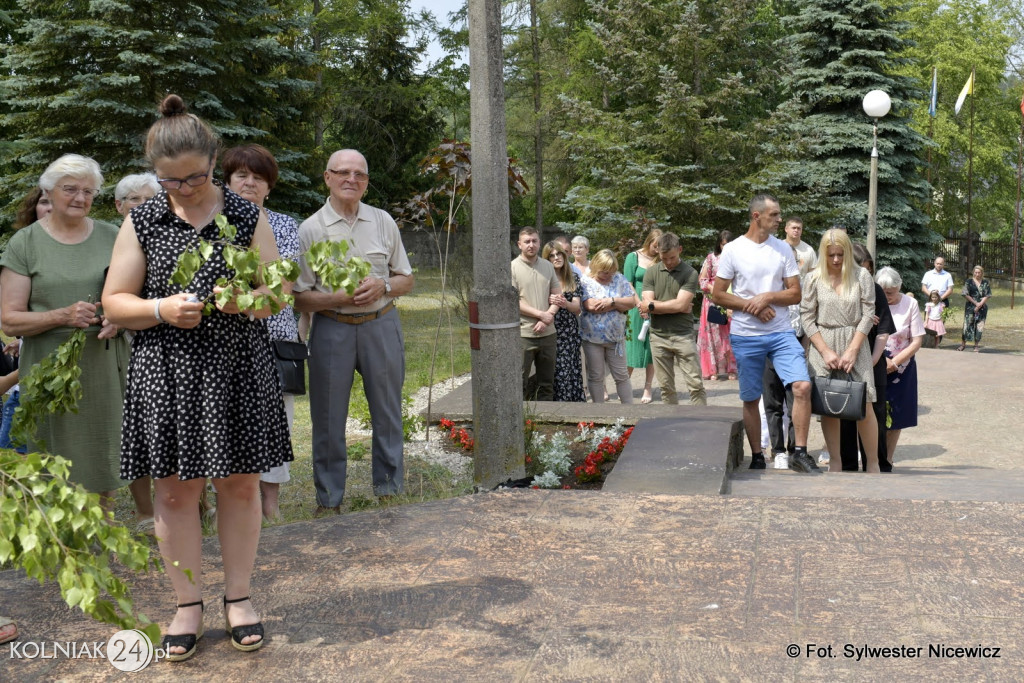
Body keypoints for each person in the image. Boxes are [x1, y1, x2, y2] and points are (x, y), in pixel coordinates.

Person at [103, 95, 293, 660]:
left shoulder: (245, 214)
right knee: (175, 491)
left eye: (196, 178)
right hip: (168, 370)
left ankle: (239, 597)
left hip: (238, 366)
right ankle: (187, 603)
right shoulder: (145, 219)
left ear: (213, 162)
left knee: (240, 484)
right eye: (171, 181)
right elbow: (115, 303)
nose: (185, 190)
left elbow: (277, 292)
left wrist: (245, 299)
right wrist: (162, 309)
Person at [0, 154, 129, 503]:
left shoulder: (112, 236)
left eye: (89, 191)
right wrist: (62, 316)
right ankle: (60, 536)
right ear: (48, 191)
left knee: (104, 452)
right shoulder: (25, 243)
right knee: (53, 458)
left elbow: (133, 295)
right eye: (70, 189)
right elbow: (9, 320)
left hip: (105, 363)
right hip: (49, 369)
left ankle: (100, 530)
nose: (80, 198)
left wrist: (120, 318)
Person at [293, 148, 414, 514]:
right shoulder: (311, 228)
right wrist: (337, 296)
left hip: (381, 324)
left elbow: (406, 279)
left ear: (366, 182)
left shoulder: (382, 221)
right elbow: (299, 297)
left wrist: (384, 286)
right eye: (343, 172)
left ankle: (389, 492)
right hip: (333, 328)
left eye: (359, 174)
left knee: (388, 413)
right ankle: (329, 500)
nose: (351, 179)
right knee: (328, 419)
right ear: (327, 177)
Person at [223, 144, 303, 521]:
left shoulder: (285, 225)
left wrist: (234, 298)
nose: (250, 183)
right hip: (219, 340)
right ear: (227, 181)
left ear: (269, 188)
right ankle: (228, 502)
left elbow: (280, 283)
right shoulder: (212, 223)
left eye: (259, 178)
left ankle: (269, 503)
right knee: (224, 421)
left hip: (274, 338)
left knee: (275, 422)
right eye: (242, 176)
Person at [711, 194, 818, 473]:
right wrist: (753, 306)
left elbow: (795, 293)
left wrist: (768, 297)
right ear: (756, 216)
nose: (780, 219)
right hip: (746, 335)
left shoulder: (782, 249)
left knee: (802, 386)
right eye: (774, 215)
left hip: (781, 332)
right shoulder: (733, 250)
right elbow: (718, 295)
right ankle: (757, 454)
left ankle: (800, 453)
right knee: (750, 397)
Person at [800, 229, 881, 473]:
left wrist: (853, 350)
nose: (836, 260)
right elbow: (806, 316)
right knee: (829, 406)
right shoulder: (814, 278)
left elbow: (868, 313)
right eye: (831, 255)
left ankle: (873, 464)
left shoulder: (861, 276)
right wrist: (825, 351)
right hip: (823, 344)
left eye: (840, 254)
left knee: (865, 404)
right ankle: (835, 461)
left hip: (855, 342)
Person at [839, 244, 895, 472]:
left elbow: (883, 330)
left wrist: (871, 361)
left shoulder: (875, 290)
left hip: (872, 361)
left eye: (868, 270)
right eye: (861, 269)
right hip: (844, 360)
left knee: (875, 413)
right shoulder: (839, 289)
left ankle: (877, 463)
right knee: (844, 414)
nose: (865, 275)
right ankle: (848, 464)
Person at [639, 233, 706, 405]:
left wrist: (654, 306)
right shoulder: (651, 272)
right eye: (664, 257)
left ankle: (702, 423)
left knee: (695, 385)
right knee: (665, 387)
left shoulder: (690, 272)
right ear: (658, 252)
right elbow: (649, 304)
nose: (668, 261)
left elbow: (681, 305)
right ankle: (671, 423)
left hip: (683, 335)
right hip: (658, 336)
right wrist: (675, 306)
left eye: (672, 257)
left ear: (680, 250)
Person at [876, 266, 925, 465]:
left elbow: (916, 341)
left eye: (891, 292)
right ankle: (871, 456)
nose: (887, 297)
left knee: (896, 416)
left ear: (899, 287)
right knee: (873, 413)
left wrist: (895, 362)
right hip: (875, 362)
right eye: (883, 292)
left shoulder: (910, 304)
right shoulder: (873, 301)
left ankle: (887, 459)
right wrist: (881, 360)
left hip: (901, 368)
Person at [510, 227, 561, 401]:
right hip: (524, 334)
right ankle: (522, 423)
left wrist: (547, 318)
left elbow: (557, 296)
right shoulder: (512, 268)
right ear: (519, 244)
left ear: (539, 242)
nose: (531, 245)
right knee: (519, 382)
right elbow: (513, 301)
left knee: (547, 383)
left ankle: (545, 422)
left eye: (534, 241)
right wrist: (541, 314)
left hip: (548, 334)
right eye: (527, 241)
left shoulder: (547, 266)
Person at [580, 249, 635, 403]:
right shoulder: (586, 281)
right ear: (596, 267)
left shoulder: (619, 279)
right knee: (596, 376)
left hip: (616, 338)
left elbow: (631, 302)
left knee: (621, 375)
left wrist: (611, 301)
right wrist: (618, 304)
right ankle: (599, 412)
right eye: (604, 272)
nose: (608, 275)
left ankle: (630, 413)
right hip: (592, 339)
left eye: (611, 271)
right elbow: (591, 306)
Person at [542, 241, 585, 402]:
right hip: (551, 329)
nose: (556, 258)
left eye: (559, 254)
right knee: (555, 371)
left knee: (569, 370)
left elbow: (577, 307)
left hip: (569, 332)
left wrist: (563, 303)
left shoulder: (573, 278)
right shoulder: (543, 278)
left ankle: (571, 405)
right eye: (551, 255)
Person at [624, 229, 661, 403]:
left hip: (654, 305)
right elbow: (627, 283)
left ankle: (648, 387)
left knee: (651, 348)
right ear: (649, 242)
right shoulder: (633, 257)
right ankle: (624, 384)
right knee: (632, 346)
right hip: (635, 305)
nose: (657, 250)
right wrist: (639, 304)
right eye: (655, 246)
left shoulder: (659, 259)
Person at [697, 230, 737, 381]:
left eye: (729, 244)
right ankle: (713, 369)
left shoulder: (738, 259)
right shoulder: (711, 258)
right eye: (723, 244)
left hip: (731, 300)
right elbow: (702, 280)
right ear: (719, 244)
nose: (726, 247)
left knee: (730, 336)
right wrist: (715, 290)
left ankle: (731, 368)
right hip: (712, 300)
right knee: (713, 336)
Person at [959, 265, 990, 352]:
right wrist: (975, 303)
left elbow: (987, 295)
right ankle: (963, 345)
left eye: (979, 272)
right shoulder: (969, 281)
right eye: (975, 272)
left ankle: (976, 346)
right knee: (967, 325)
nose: (977, 274)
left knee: (979, 326)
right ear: (973, 272)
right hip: (970, 306)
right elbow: (965, 294)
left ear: (982, 273)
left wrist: (979, 304)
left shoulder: (985, 282)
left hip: (982, 307)